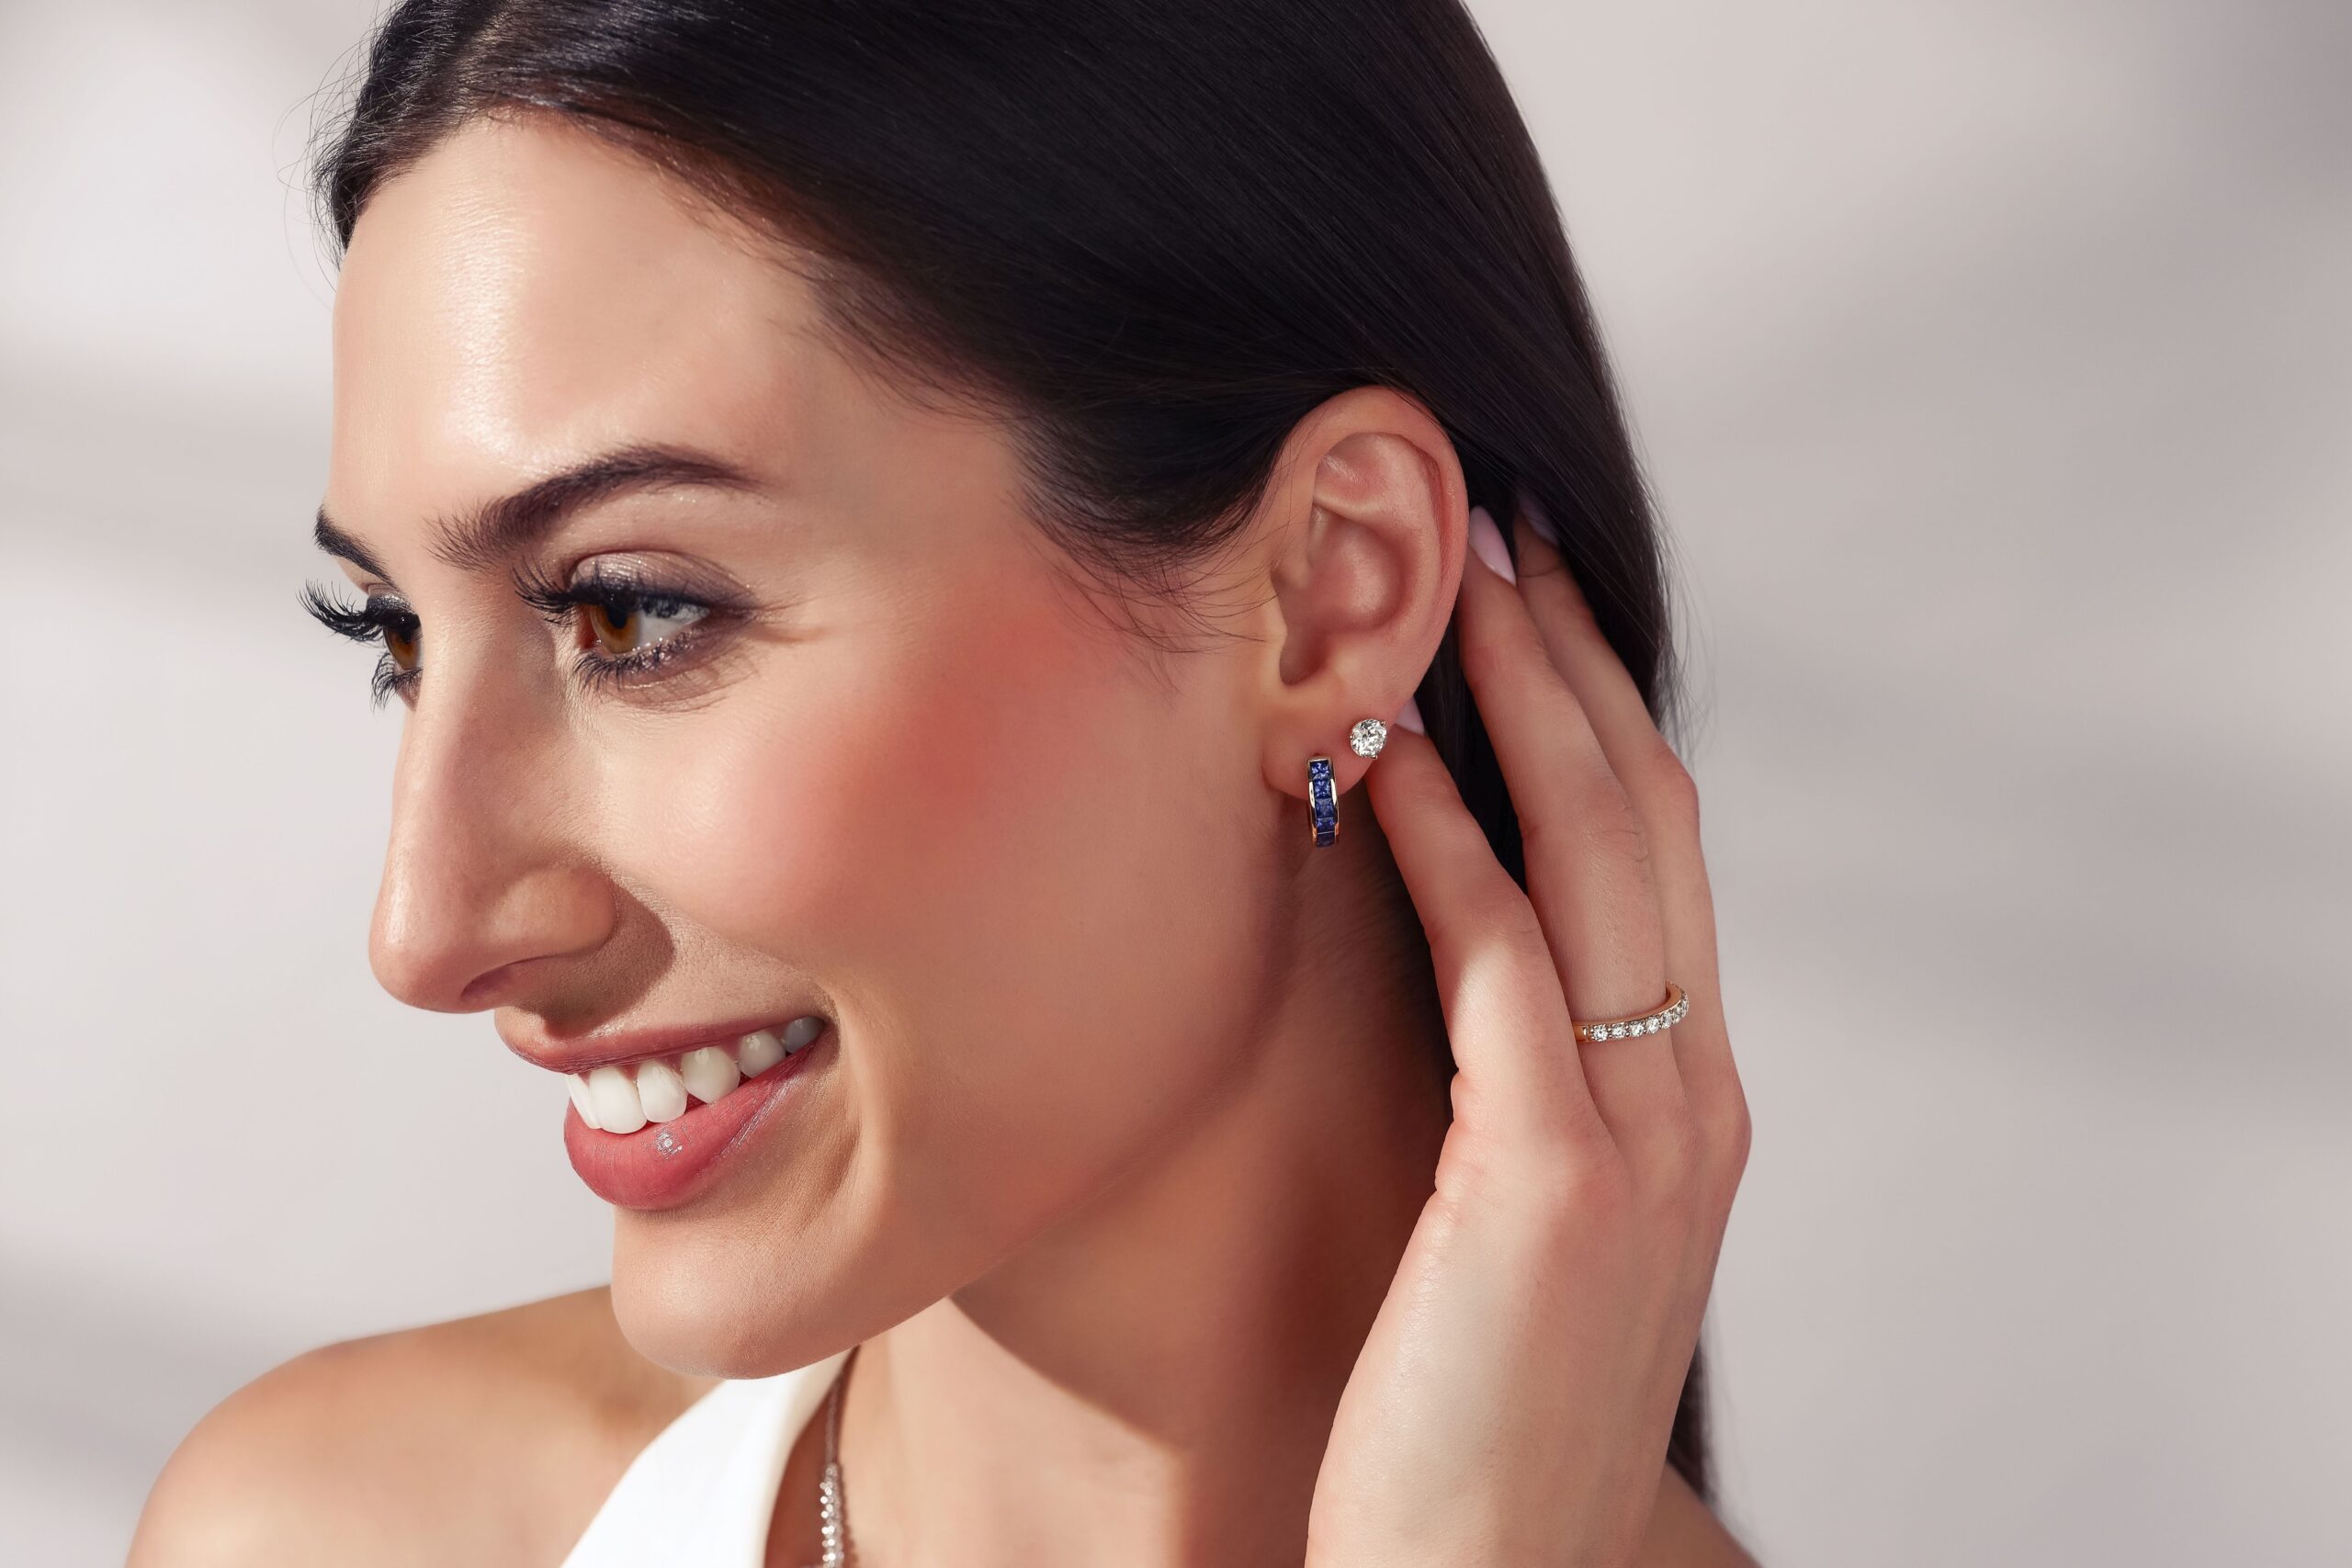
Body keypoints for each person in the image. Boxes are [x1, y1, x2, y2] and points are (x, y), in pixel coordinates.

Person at [129, 2, 1756, 1562]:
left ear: (1334, 587)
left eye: (630, 611)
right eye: (398, 638)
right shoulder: (328, 1540)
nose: (426, 932)